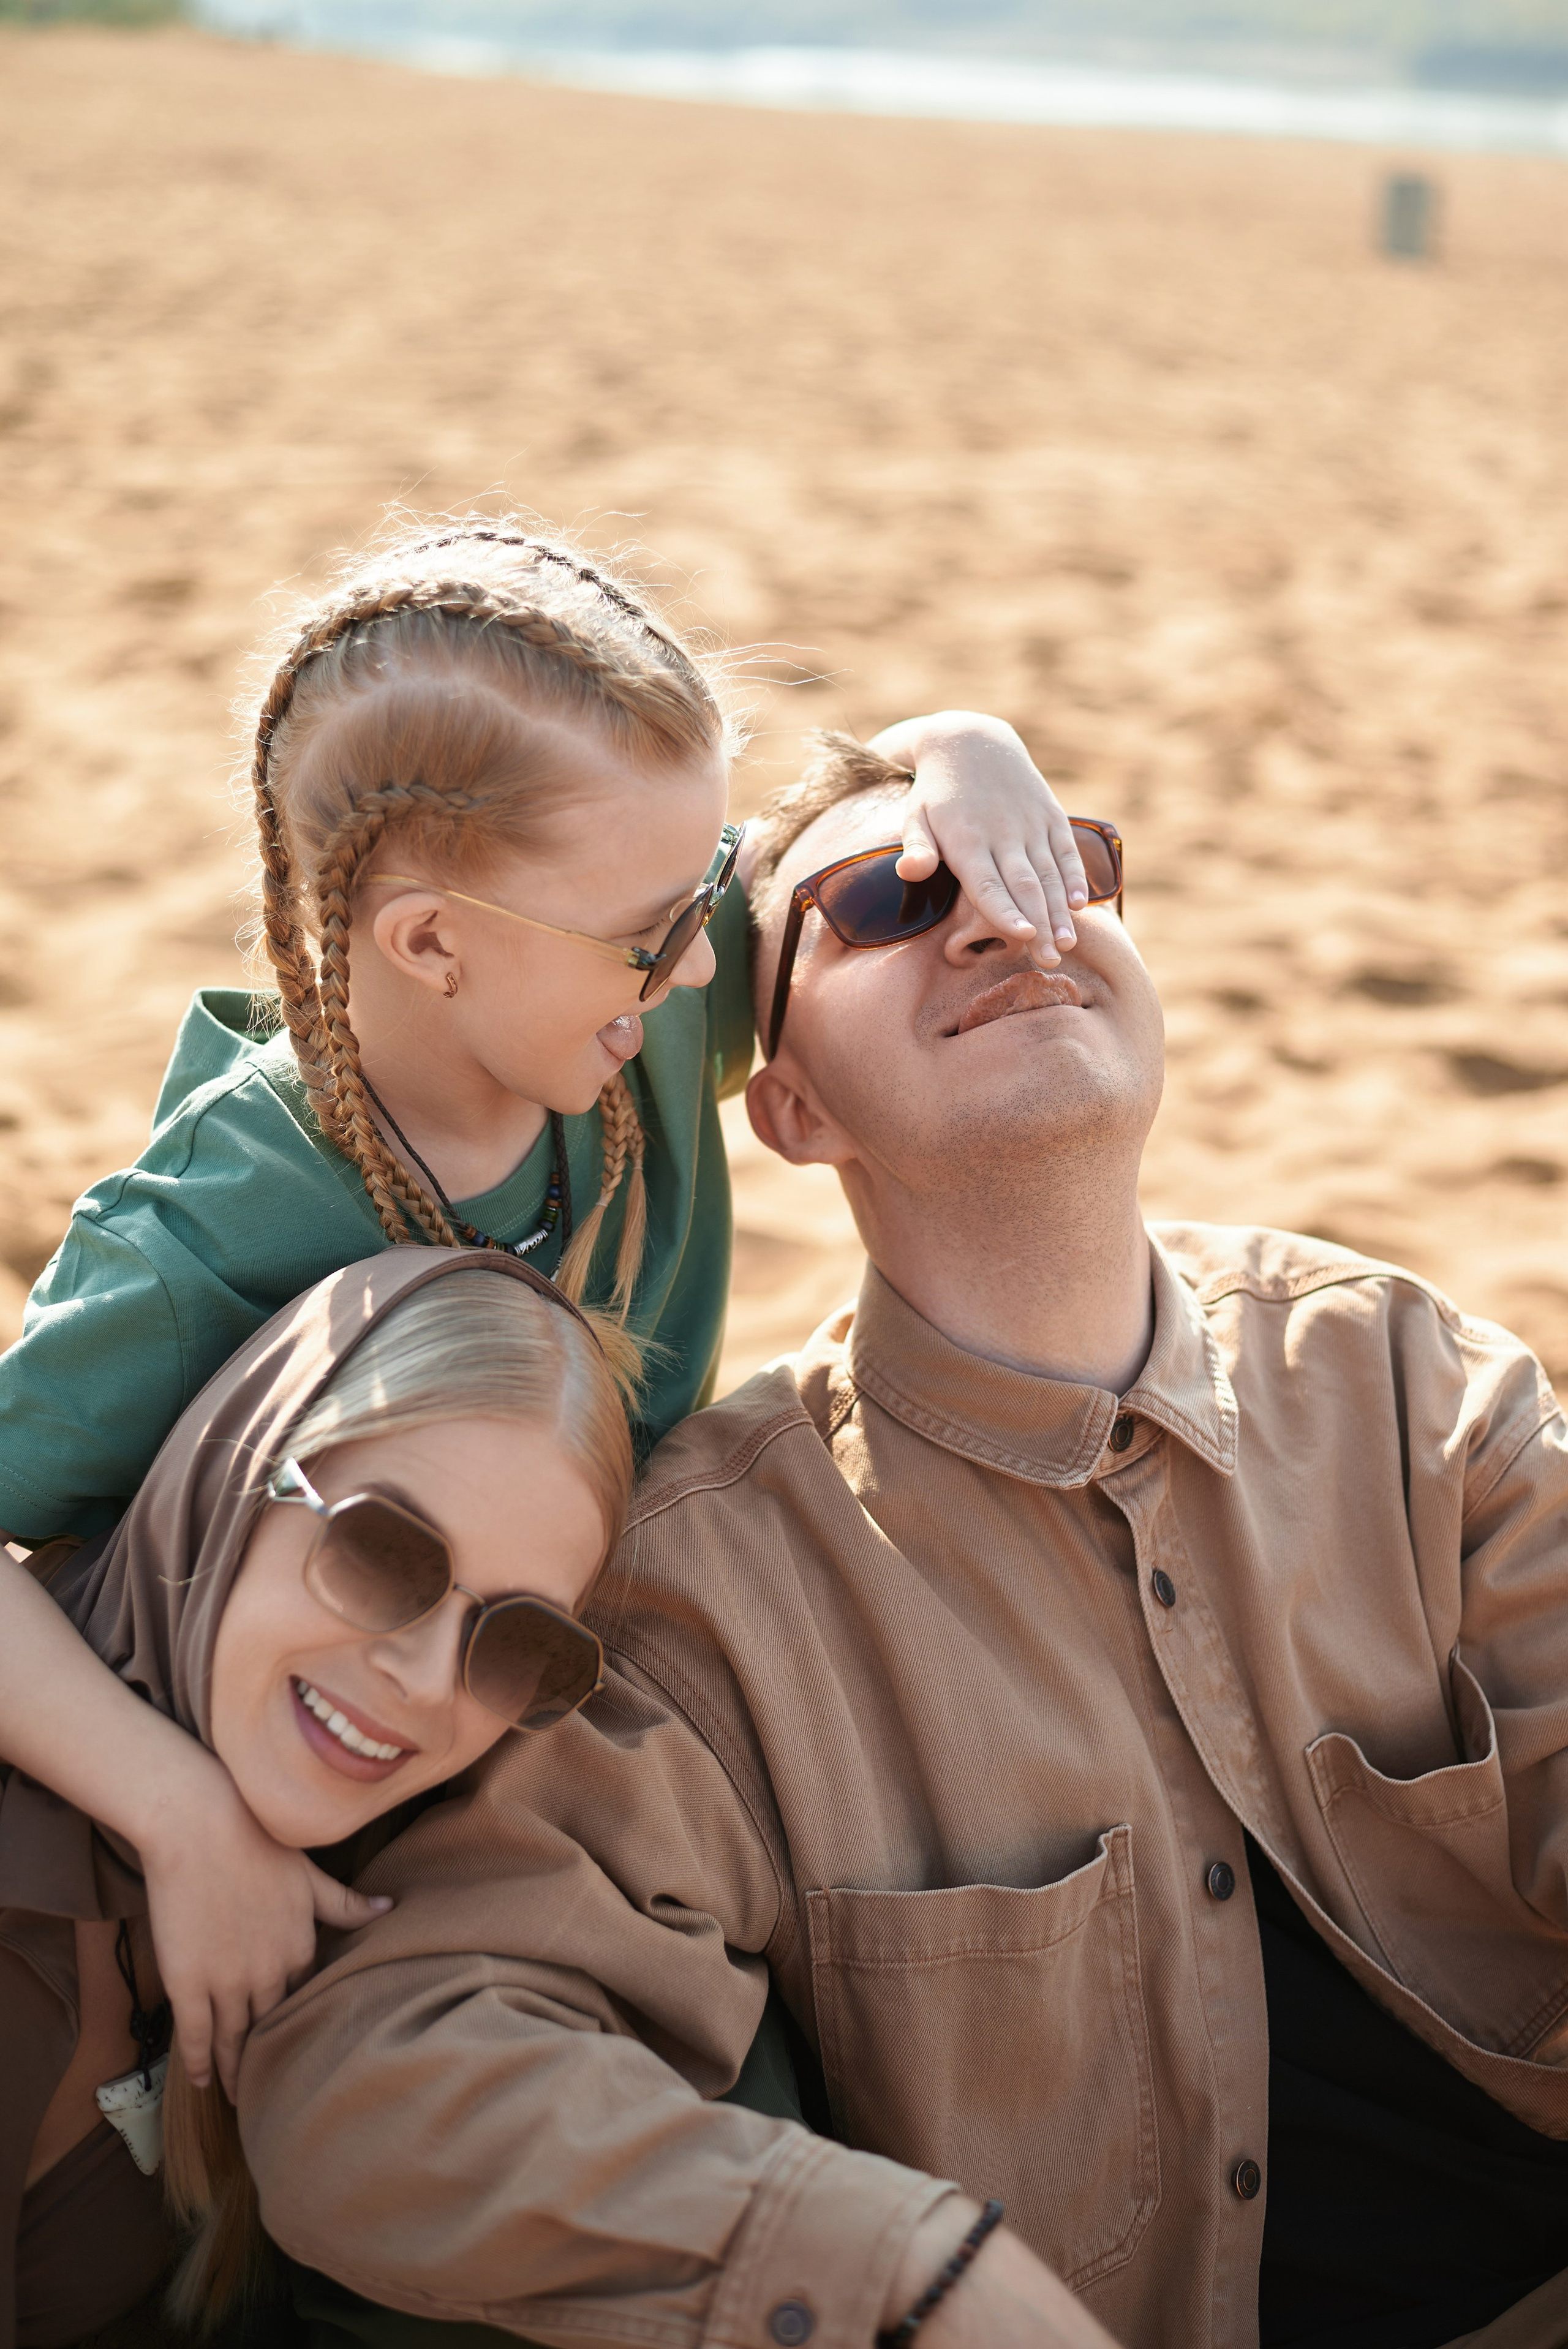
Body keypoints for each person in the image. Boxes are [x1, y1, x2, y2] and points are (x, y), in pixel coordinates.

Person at [238, 730, 1568, 2349]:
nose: (1009, 919)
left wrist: (959, 751)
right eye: (885, 898)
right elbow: (382, 2072)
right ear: (791, 1107)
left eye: (1055, 866)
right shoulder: (712, 1591)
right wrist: (888, 2263)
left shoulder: (1405, 1380)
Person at [0, 510, 1089, 2093]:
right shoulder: (215, 1224)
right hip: (332, 1788)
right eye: (658, 938)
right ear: (430, 941)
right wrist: (183, 1816)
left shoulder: (606, 1002)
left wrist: (961, 745)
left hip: (563, 1700)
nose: (707, 969)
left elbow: (810, 854)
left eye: (699, 893)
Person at [0, 1245, 635, 2349]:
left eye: (520, 1643)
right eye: (384, 1551)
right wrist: (178, 1810)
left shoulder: (394, 1891)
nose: (429, 1682)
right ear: (239, 1479)